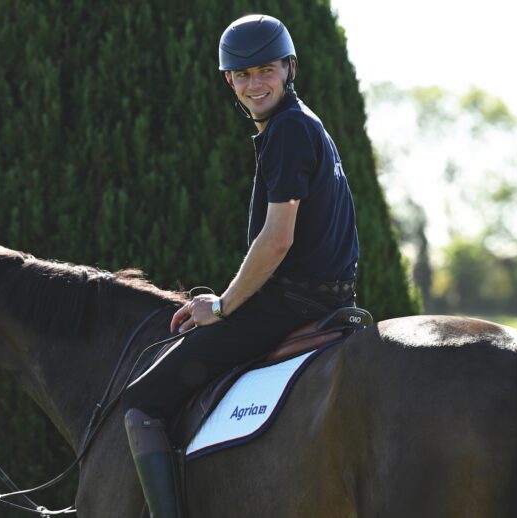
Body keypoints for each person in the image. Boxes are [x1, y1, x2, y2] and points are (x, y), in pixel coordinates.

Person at [122, 14, 359, 517]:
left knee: (143, 403)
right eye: (243, 74)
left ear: (289, 69)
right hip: (334, 299)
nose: (256, 84)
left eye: (266, 70)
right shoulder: (303, 123)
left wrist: (223, 306)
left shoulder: (288, 130)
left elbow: (277, 241)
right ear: (228, 80)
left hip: (292, 302)